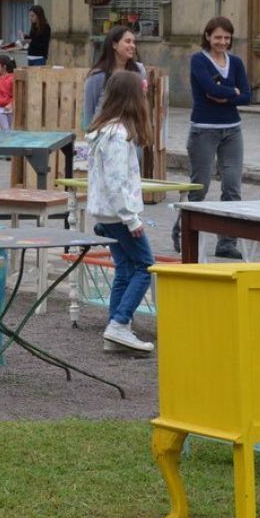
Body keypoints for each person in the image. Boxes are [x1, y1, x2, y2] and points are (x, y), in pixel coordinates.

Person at [86, 70, 155, 353]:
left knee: (125, 268)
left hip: (108, 213)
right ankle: (119, 323)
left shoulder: (105, 131)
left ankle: (114, 328)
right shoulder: (118, 135)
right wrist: (131, 218)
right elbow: (116, 182)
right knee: (144, 265)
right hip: (118, 214)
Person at [173, 16, 251, 257]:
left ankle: (227, 243)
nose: (223, 42)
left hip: (232, 129)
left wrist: (226, 95)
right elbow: (210, 89)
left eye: (227, 37)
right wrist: (231, 92)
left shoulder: (236, 63)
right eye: (218, 37)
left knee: (232, 187)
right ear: (207, 36)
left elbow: (246, 95)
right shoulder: (199, 60)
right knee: (200, 187)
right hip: (203, 129)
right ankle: (184, 232)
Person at [82, 26, 147, 128]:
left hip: (133, 132)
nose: (133, 46)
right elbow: (89, 111)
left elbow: (142, 103)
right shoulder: (97, 76)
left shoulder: (139, 71)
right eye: (127, 41)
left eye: (134, 42)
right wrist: (91, 133)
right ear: (114, 44)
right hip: (104, 133)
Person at [0, 55, 15, 130]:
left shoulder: (12, 79)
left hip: (10, 109)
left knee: (9, 129)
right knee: (6, 129)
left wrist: (11, 104)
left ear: (4, 67)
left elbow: (16, 94)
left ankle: (7, 141)